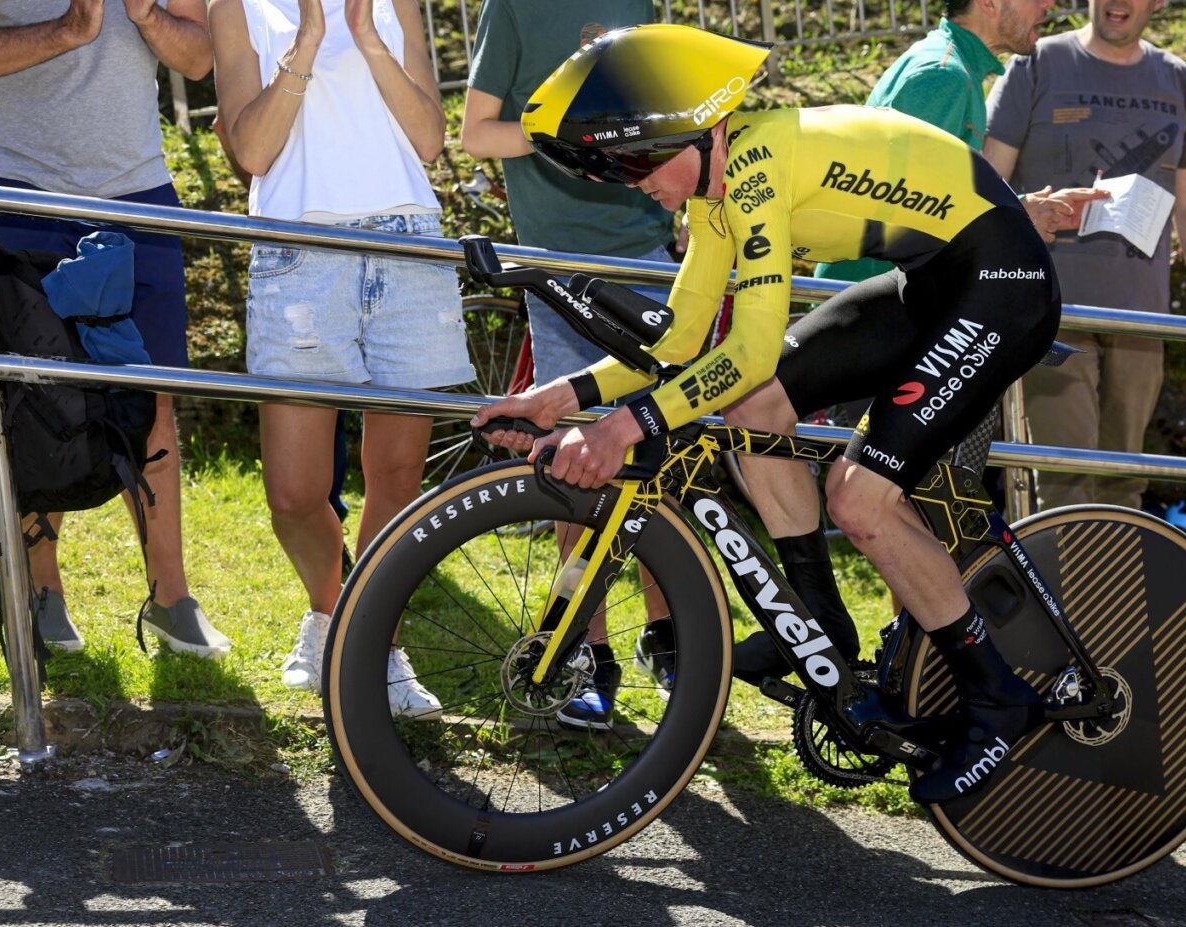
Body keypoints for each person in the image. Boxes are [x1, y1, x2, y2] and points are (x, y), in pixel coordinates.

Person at [474, 23, 1060, 803]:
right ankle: (820, 624)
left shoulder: (755, 166)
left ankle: (997, 695)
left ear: (698, 130)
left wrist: (625, 426)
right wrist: (560, 397)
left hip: (1000, 282)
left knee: (859, 497)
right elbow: (683, 341)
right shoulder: (721, 192)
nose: (631, 182)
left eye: (640, 162)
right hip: (931, 280)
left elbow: (744, 350)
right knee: (755, 405)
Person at [0, 0, 231, 658]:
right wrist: (69, 29)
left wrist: (148, 16)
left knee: (151, 399)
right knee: (28, 396)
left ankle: (171, 600)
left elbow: (199, 55)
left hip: (136, 190)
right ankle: (41, 590)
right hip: (16, 188)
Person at [209, 0, 473, 716]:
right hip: (299, 249)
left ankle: (376, 645)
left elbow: (427, 137)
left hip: (407, 241)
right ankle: (331, 613)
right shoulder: (234, 7)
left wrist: (365, 37)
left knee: (394, 477)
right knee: (293, 495)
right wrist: (308, 41)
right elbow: (255, 152)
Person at [458, 0, 679, 731]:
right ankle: (589, 654)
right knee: (572, 467)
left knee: (661, 460)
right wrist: (562, 132)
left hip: (650, 261)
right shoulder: (513, 7)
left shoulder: (638, 5)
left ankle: (672, 637)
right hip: (557, 273)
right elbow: (473, 133)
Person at [982, 0, 1186, 511]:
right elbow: (987, 181)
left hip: (1141, 319)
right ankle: (1060, 594)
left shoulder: (1176, 77)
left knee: (1125, 481)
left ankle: (1112, 594)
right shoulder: (1036, 63)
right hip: (1055, 311)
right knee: (1067, 479)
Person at [818, 0, 1087, 283]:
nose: (1050, 4)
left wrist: (1023, 210)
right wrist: (1020, 219)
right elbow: (910, 207)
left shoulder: (953, 65)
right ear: (988, 4)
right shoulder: (943, 75)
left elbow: (933, 197)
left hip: (881, 293)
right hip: (874, 297)